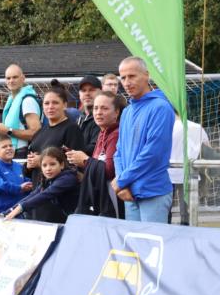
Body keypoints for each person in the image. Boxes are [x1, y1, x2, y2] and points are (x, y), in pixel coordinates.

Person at [112, 56, 175, 223]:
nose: (126, 82)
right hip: (129, 192)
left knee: (153, 247)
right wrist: (123, 184)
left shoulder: (160, 108)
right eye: (123, 77)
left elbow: (153, 153)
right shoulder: (127, 111)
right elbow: (119, 152)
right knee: (134, 248)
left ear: (146, 75)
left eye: (132, 76)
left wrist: (122, 180)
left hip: (153, 192)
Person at [72, 90, 126, 218]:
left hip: (114, 200)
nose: (98, 112)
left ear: (116, 112)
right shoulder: (103, 133)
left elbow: (109, 170)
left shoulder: (115, 134)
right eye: (95, 108)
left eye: (104, 108)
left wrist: (85, 161)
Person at [23, 84, 84, 188]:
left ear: (64, 105)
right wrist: (28, 166)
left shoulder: (71, 129)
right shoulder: (40, 132)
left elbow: (76, 167)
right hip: (38, 192)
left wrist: (43, 162)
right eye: (46, 103)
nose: (50, 107)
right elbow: (29, 170)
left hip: (59, 193)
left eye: (55, 103)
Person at [5, 147, 79, 223]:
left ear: (62, 165)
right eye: (44, 165)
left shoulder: (67, 179)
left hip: (81, 219)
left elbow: (45, 195)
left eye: (52, 164)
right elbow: (32, 195)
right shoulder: (48, 180)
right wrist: (6, 213)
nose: (48, 168)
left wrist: (20, 208)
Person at [0, 64, 42, 156]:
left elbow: (36, 133)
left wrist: (8, 130)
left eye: (15, 77)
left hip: (23, 152)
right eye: (8, 78)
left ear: (23, 78)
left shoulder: (27, 101)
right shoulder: (12, 100)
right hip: (13, 151)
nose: (11, 81)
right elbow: (11, 128)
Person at [170, 116, 211, 225]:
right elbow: (207, 148)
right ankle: (186, 228)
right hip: (189, 171)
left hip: (167, 172)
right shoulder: (197, 127)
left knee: (165, 210)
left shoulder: (165, 126)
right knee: (186, 212)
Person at [0, 134, 31, 215]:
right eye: (4, 147)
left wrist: (30, 185)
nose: (9, 148)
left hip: (18, 214)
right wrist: (19, 188)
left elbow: (27, 183)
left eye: (11, 145)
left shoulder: (19, 166)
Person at [76, 75, 102, 155]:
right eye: (83, 90)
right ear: (79, 94)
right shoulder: (79, 119)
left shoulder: (104, 118)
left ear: (101, 92)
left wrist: (72, 150)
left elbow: (96, 147)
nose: (87, 93)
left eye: (91, 90)